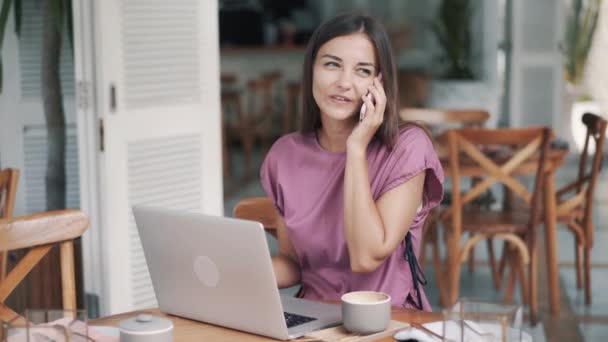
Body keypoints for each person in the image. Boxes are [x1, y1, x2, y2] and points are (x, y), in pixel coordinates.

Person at [260, 13, 444, 311]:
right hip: (313, 319)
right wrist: (231, 273)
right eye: (332, 64)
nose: (344, 82)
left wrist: (356, 147)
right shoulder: (284, 155)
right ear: (311, 71)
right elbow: (294, 264)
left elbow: (366, 256)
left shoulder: (407, 147)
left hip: (386, 321)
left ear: (379, 82)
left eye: (363, 70)